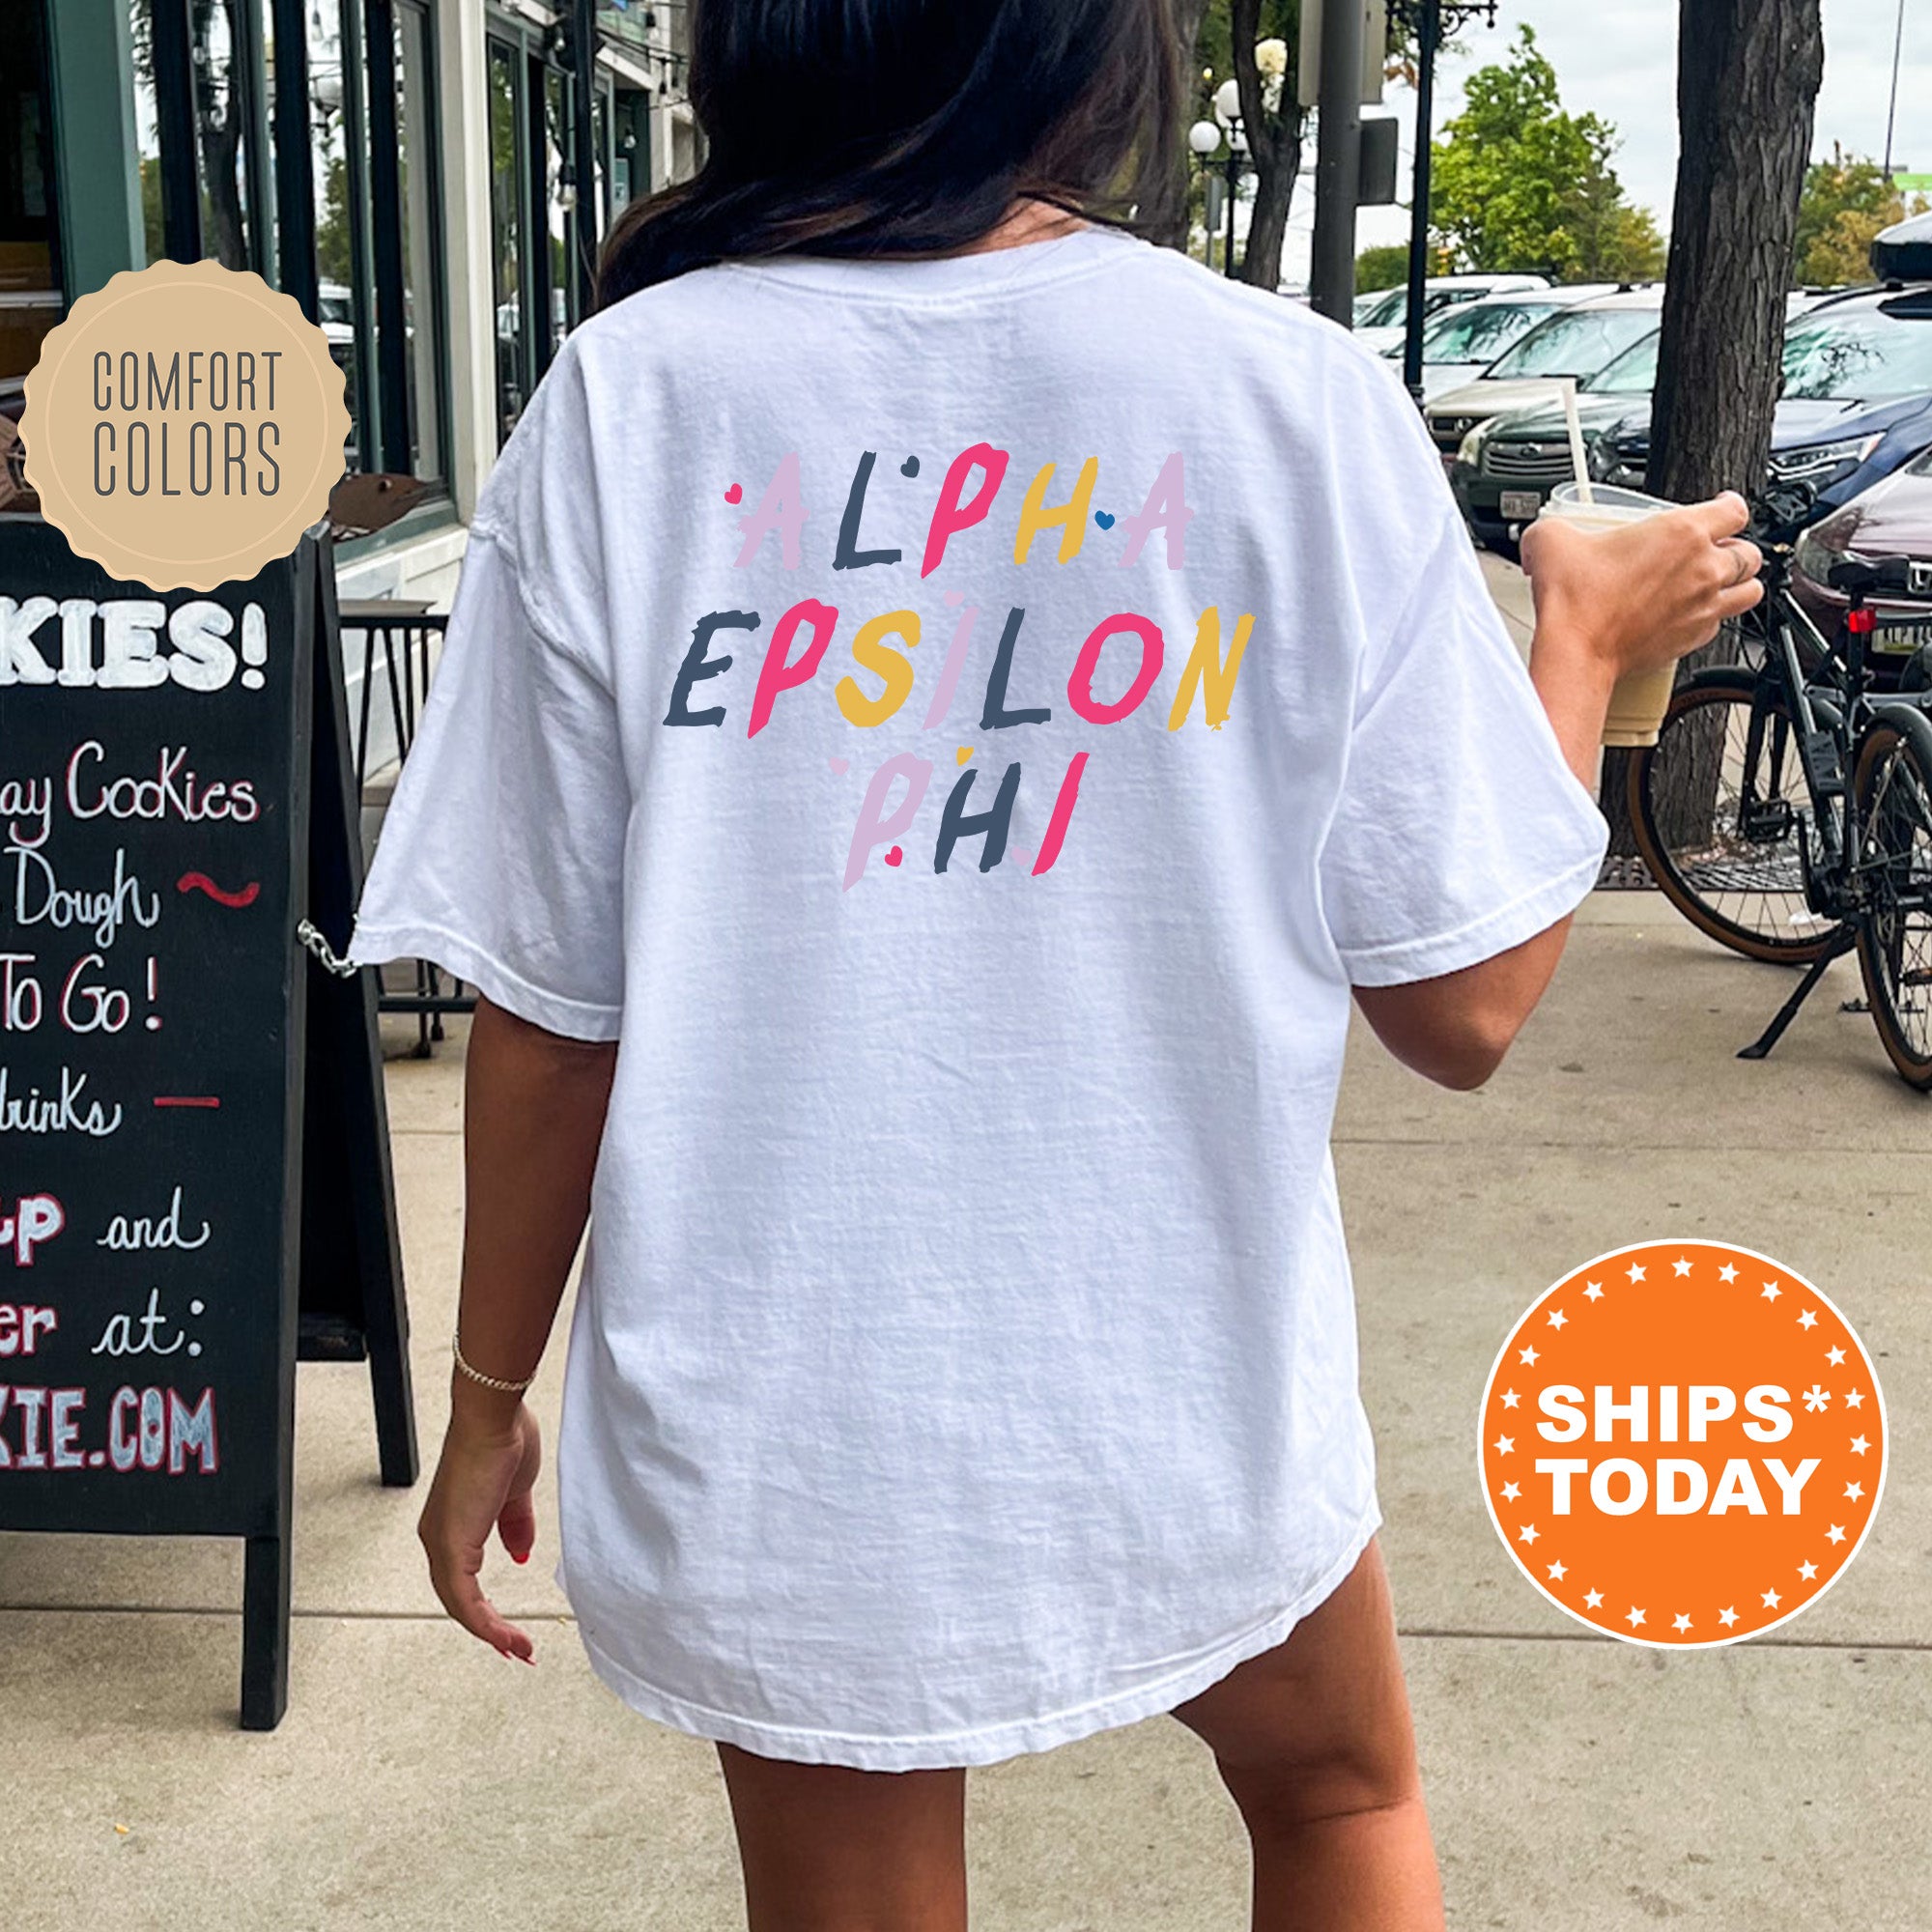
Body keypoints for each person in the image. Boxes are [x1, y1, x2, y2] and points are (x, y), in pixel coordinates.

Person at [347, 3, 1764, 1925]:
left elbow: (550, 1016)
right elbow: (1468, 1002)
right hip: (1173, 1377)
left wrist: (490, 1391)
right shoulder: (1282, 392)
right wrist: (1581, 648)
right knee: (1339, 1794)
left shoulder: (628, 400)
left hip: (792, 1414)